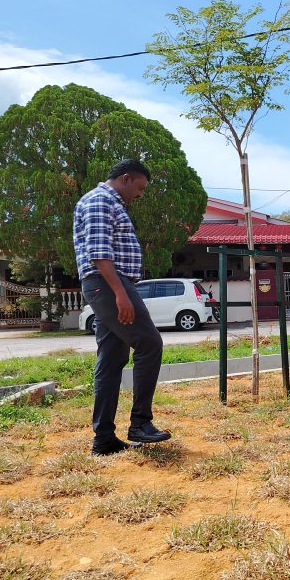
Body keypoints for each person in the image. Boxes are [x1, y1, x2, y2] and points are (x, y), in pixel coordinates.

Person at [73, 159, 172, 455]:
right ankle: (140, 424)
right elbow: (99, 251)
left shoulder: (107, 201)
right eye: (140, 188)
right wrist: (121, 293)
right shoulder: (101, 200)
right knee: (149, 343)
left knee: (111, 360)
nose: (140, 194)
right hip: (108, 282)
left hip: (108, 283)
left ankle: (103, 439)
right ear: (126, 179)